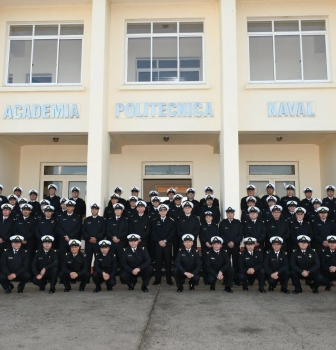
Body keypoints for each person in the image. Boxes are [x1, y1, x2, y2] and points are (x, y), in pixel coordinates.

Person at [151, 204, 175, 285]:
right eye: (161, 210)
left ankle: (169, 279)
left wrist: (165, 240)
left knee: (168, 263)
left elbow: (172, 233)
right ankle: (157, 279)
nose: (162, 212)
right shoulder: (154, 221)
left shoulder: (171, 221)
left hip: (167, 244)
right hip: (158, 245)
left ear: (167, 211)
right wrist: (159, 241)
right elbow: (153, 233)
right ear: (159, 212)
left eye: (164, 210)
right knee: (158, 263)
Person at [219, 206, 243, 285]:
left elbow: (240, 234)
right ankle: (226, 279)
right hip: (226, 246)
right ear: (226, 214)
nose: (230, 214)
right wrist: (228, 242)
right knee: (226, 263)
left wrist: (233, 242)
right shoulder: (223, 222)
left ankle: (236, 279)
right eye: (228, 213)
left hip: (235, 246)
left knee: (236, 263)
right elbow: (221, 234)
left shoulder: (238, 222)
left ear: (234, 214)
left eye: (231, 213)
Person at [57, 200, 82, 267]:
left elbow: (78, 229)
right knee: (62, 256)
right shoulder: (61, 217)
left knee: (73, 256)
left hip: (73, 240)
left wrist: (70, 236)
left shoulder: (77, 217)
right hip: (63, 240)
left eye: (71, 207)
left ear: (73, 208)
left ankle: (73, 270)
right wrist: (65, 236)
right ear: (66, 207)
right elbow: (59, 228)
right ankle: (62, 271)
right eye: (68, 206)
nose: (69, 208)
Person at [82, 203, 106, 269]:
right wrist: (89, 238)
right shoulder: (86, 220)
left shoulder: (102, 220)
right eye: (93, 209)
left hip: (98, 243)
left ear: (98, 211)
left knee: (98, 260)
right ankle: (87, 277)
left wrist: (96, 238)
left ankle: (97, 276)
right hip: (88, 243)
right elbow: (83, 231)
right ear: (91, 210)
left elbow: (103, 231)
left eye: (96, 209)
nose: (94, 211)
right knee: (87, 260)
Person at [200, 211, 219, 284]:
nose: (208, 218)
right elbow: (201, 236)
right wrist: (206, 242)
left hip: (213, 247)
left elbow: (217, 235)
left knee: (212, 263)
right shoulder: (202, 226)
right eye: (207, 217)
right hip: (205, 247)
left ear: (212, 218)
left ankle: (213, 278)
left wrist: (213, 244)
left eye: (209, 217)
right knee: (205, 263)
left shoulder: (215, 226)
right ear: (205, 218)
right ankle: (206, 279)